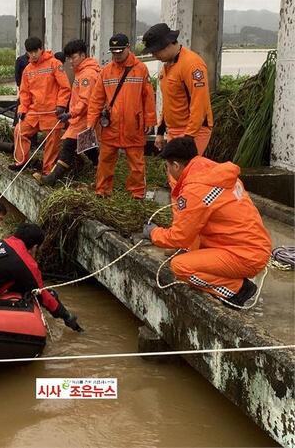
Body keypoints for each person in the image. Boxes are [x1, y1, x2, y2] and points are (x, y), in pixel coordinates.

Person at [142, 137, 271, 308]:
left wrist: (153, 233)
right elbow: (194, 232)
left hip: (245, 255)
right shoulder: (213, 172)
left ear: (176, 166)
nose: (168, 171)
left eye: (167, 166)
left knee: (181, 267)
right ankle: (232, 278)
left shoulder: (195, 189)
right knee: (191, 250)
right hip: (251, 247)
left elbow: (179, 237)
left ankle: (237, 289)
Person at [86, 33, 156, 199]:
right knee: (105, 160)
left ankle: (137, 193)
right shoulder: (106, 72)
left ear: (128, 48)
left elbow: (148, 97)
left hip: (134, 125)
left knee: (136, 163)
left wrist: (150, 120)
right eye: (114, 52)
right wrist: (91, 122)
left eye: (120, 52)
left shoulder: (140, 69)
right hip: (111, 126)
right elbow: (96, 99)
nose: (117, 55)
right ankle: (102, 191)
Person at [33, 39, 101, 186]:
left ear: (83, 55)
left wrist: (70, 114)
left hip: (84, 118)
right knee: (87, 147)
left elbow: (85, 100)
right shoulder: (82, 72)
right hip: (81, 118)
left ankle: (51, 179)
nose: (70, 61)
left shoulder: (87, 75)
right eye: (69, 58)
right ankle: (101, 169)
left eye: (73, 57)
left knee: (69, 146)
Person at [142, 23, 214, 158]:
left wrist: (189, 137)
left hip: (193, 130)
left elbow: (200, 103)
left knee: (184, 171)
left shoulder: (192, 65)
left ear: (168, 44)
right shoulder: (167, 67)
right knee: (174, 173)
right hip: (173, 129)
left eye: (155, 51)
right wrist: (160, 132)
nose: (154, 55)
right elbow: (168, 102)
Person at [10, 36, 72, 176]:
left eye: (35, 51)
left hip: (52, 112)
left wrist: (61, 105)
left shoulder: (54, 64)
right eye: (30, 52)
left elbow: (65, 87)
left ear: (41, 49)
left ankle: (47, 170)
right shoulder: (27, 69)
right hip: (34, 112)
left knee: (52, 142)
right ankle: (21, 162)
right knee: (19, 131)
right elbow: (24, 93)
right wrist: (22, 109)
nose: (33, 55)